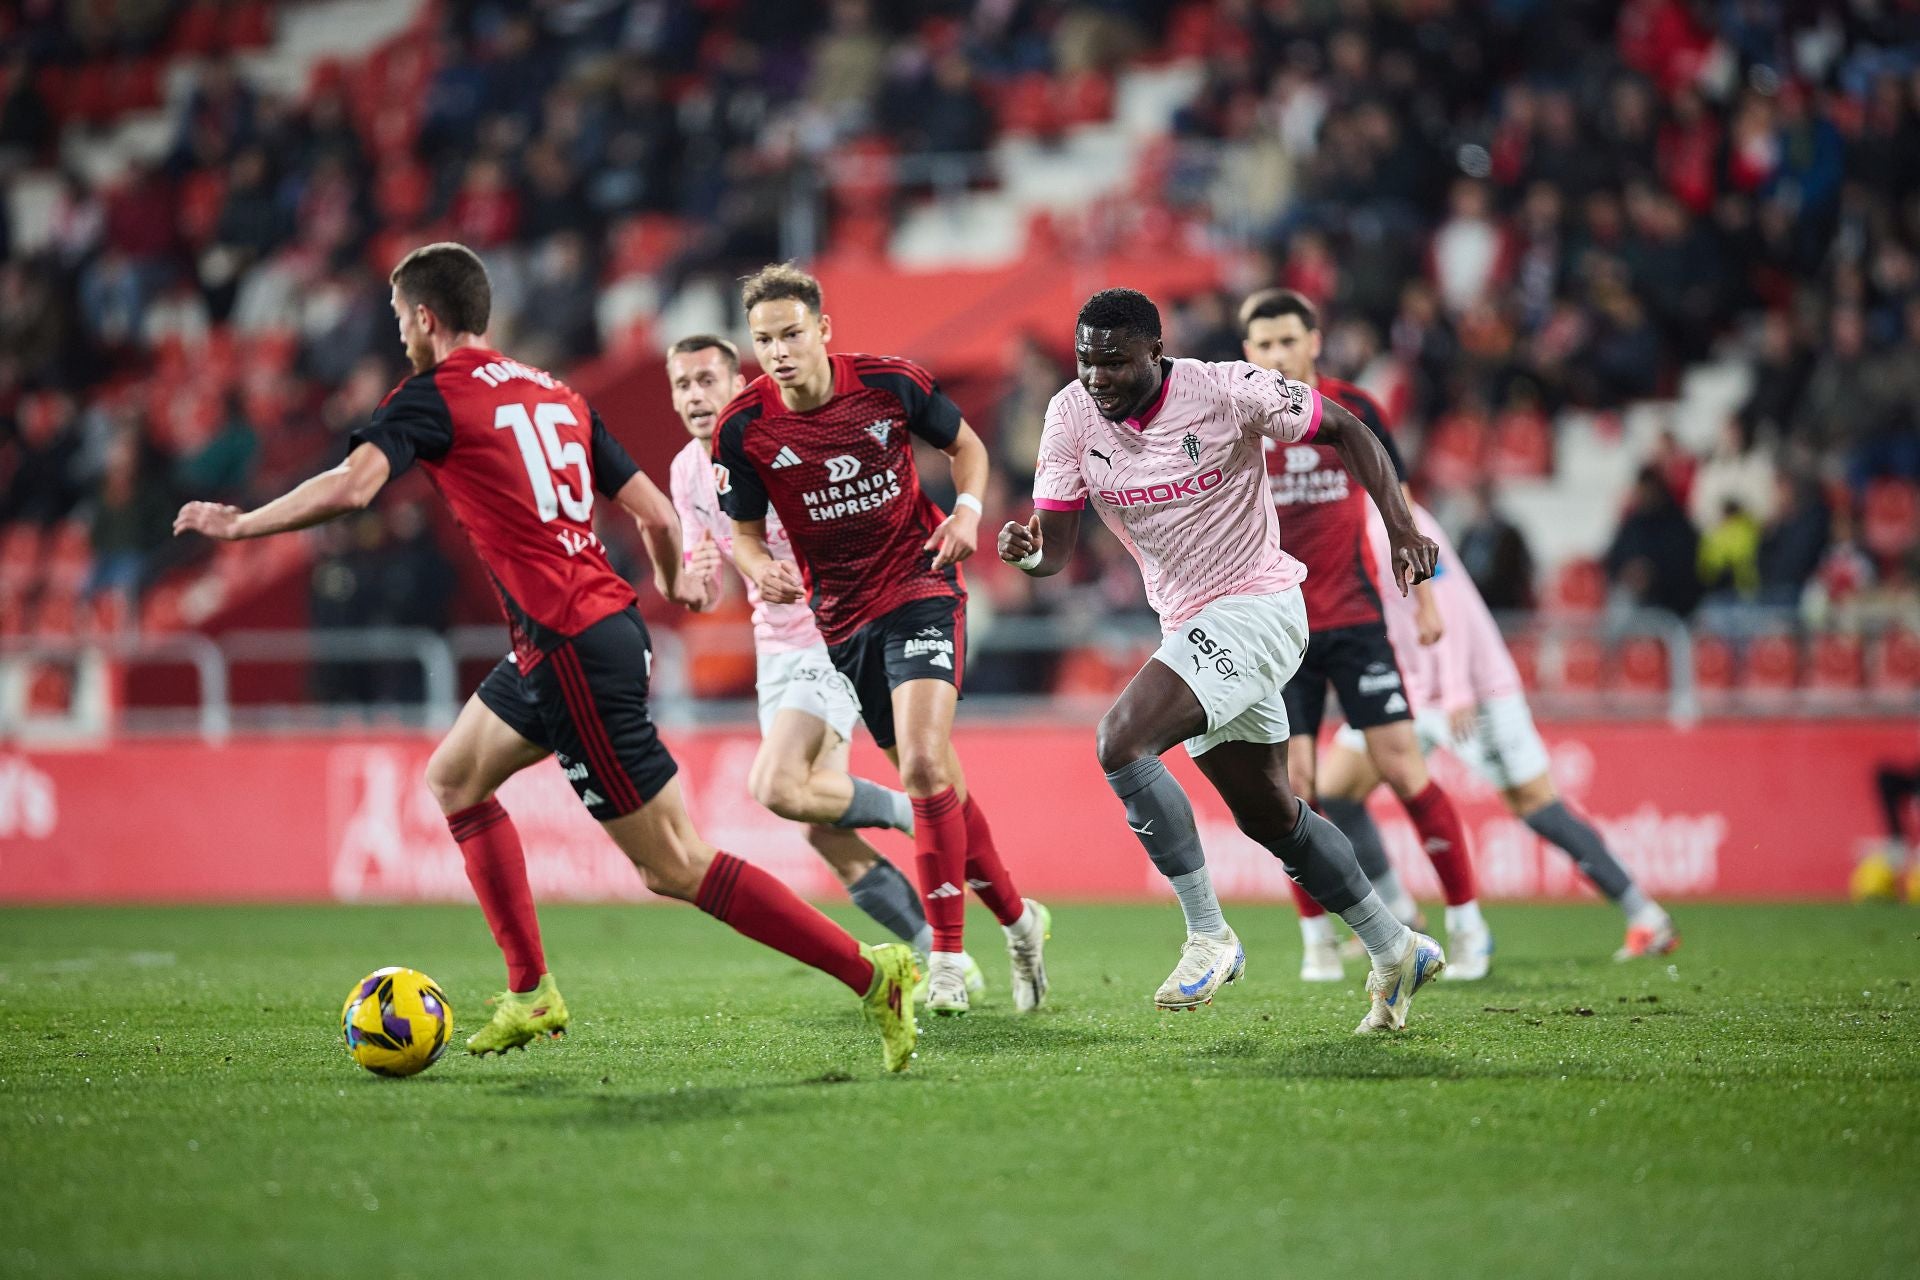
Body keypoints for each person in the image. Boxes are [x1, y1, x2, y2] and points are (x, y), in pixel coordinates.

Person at [174, 243, 918, 1072]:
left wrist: (241, 526)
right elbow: (659, 518)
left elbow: (353, 488)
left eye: (397, 321)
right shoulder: (556, 393)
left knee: (675, 865)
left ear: (424, 318)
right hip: (578, 633)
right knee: (455, 777)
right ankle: (531, 989)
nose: (398, 338)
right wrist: (675, 586)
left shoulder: (431, 397)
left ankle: (871, 974)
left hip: (570, 643)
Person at [999, 287, 1447, 1035]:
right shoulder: (1070, 416)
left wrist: (1400, 528)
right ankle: (1394, 946)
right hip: (1189, 625)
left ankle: (1208, 933)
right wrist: (1030, 555)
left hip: (1262, 606)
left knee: (1120, 740)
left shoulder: (1226, 389)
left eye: (1113, 363)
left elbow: (1348, 427)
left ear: (1154, 353)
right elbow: (1057, 551)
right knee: (1272, 817)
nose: (1096, 378)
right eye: (1085, 361)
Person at [714, 263, 1047, 1017]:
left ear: (823, 330)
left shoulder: (887, 383)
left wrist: (965, 513)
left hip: (922, 585)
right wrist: (760, 566)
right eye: (764, 340)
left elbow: (968, 449)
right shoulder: (744, 429)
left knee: (926, 765)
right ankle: (1021, 921)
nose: (778, 351)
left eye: (792, 333)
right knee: (941, 786)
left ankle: (950, 961)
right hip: (843, 620)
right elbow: (742, 535)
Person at [663, 332, 984, 992]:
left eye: (707, 381)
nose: (695, 396)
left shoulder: (769, 440)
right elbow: (707, 580)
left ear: (738, 387)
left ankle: (917, 811)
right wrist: (691, 582)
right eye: (681, 384)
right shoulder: (684, 473)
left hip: (828, 628)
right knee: (822, 833)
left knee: (777, 785)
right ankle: (942, 956)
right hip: (771, 645)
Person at [1239, 288, 1492, 983]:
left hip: (1354, 620)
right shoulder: (1243, 421)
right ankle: (1318, 938)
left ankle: (1470, 926)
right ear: (1247, 354)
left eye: (1288, 340)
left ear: (1314, 341)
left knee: (1406, 768)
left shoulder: (1355, 409)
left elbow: (1398, 503)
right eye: (1263, 345)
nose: (1277, 355)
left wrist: (1427, 599)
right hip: (1278, 631)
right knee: (1291, 790)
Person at [1316, 502, 1681, 960]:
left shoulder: (1397, 518)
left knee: (1536, 806)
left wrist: (1455, 690)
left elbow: (1444, 599)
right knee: (1337, 789)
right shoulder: (1336, 522)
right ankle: (1399, 915)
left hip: (1471, 687)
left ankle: (1646, 917)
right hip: (1407, 686)